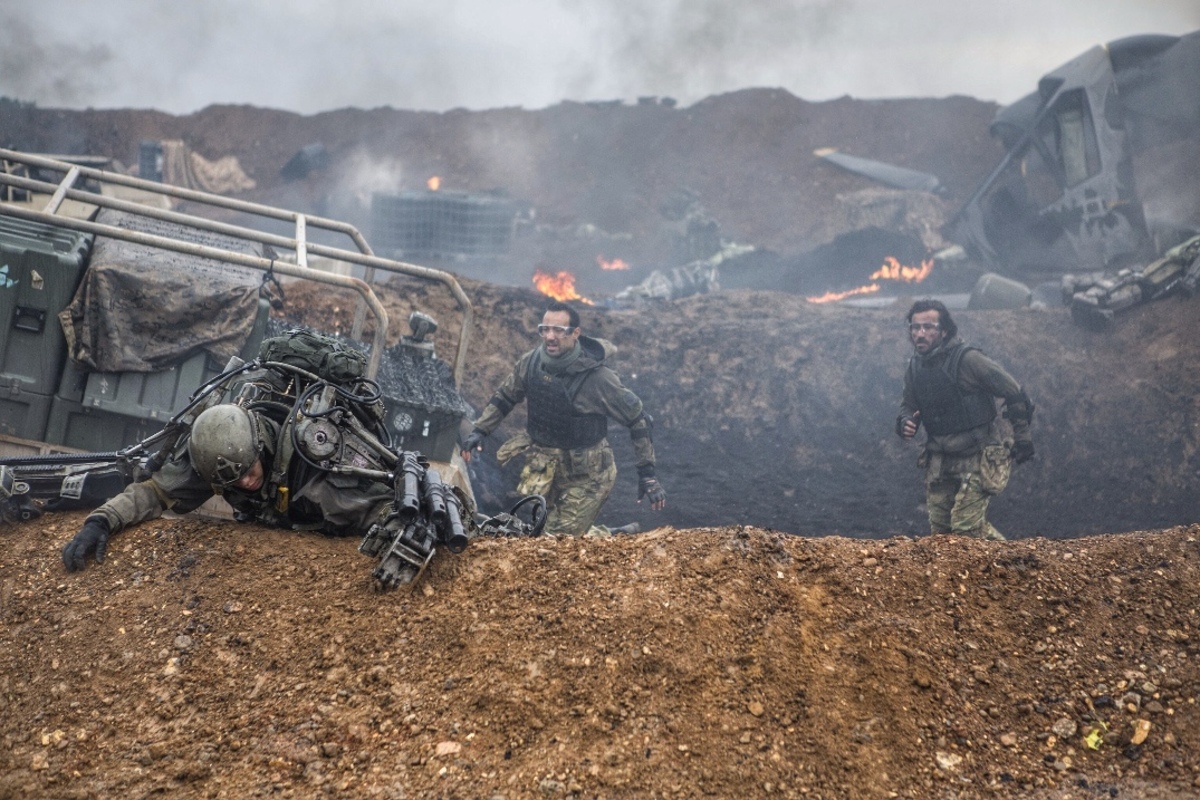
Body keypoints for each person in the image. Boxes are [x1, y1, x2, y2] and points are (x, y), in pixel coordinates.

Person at [62, 401, 398, 572]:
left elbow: (386, 510)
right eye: (233, 481)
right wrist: (101, 520)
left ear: (261, 445)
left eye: (250, 470)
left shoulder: (318, 479)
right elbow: (154, 492)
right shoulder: (216, 454)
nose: (247, 481)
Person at [461, 300, 665, 537]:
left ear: (575, 333)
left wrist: (648, 475)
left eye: (558, 330)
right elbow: (506, 396)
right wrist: (480, 430)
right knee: (530, 530)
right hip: (545, 466)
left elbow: (639, 419)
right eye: (545, 329)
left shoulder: (599, 379)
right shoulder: (532, 362)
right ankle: (607, 535)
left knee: (555, 540)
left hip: (588, 476)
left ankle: (602, 537)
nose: (550, 336)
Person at [895, 299, 1034, 541]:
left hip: (978, 456)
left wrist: (1022, 438)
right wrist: (905, 421)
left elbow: (1014, 392)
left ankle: (1014, 561)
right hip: (940, 461)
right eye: (915, 328)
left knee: (965, 533)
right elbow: (909, 404)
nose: (920, 334)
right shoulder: (915, 367)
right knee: (942, 536)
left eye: (928, 327)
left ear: (944, 330)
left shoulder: (968, 360)